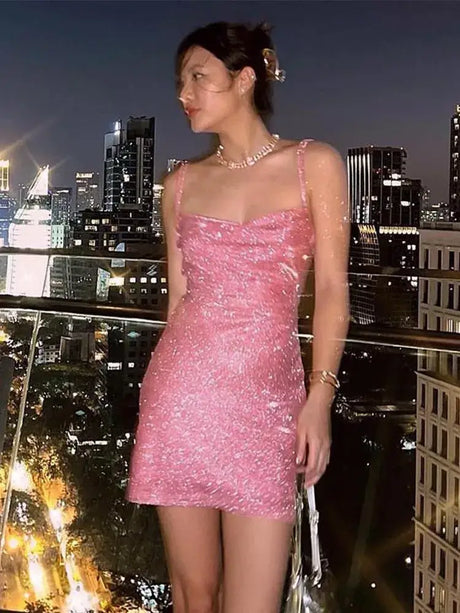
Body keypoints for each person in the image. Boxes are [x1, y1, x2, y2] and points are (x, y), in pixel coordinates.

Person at [126, 21, 349, 613]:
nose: (184, 94)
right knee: (193, 596)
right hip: (180, 400)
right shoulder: (179, 185)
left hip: (268, 408)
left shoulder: (314, 164)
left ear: (245, 78)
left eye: (198, 77)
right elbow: (178, 304)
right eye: (181, 82)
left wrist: (321, 396)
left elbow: (332, 289)